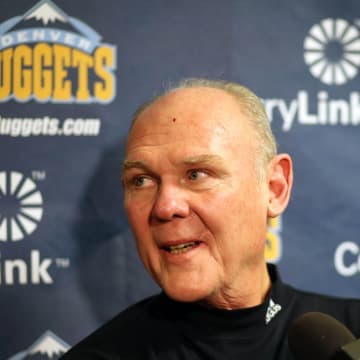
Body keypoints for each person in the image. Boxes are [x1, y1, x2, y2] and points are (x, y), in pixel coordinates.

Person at [62, 79, 360, 359]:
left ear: (273, 188)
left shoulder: (350, 338)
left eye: (196, 174)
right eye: (141, 181)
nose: (165, 207)